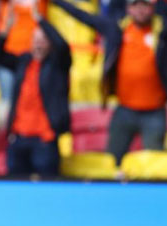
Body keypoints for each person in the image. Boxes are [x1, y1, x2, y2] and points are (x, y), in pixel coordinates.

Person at [53, 0, 167, 163]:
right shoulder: (118, 29)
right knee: (112, 160)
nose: (140, 10)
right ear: (128, 8)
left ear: (153, 8)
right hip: (125, 109)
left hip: (154, 111)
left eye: (145, 5)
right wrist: (56, 2)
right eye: (135, 5)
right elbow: (85, 17)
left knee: (154, 162)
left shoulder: (161, 32)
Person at [0, 4, 70, 177]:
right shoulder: (24, 61)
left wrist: (41, 21)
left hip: (45, 139)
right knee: (15, 185)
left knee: (48, 185)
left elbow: (63, 46)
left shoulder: (57, 65)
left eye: (43, 40)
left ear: (50, 44)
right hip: (19, 138)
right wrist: (5, 30)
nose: (38, 44)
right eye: (35, 40)